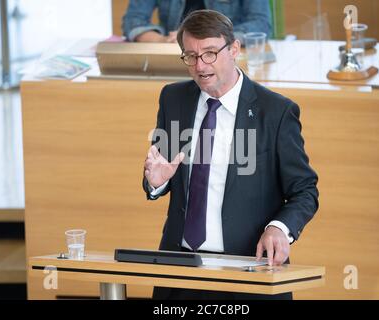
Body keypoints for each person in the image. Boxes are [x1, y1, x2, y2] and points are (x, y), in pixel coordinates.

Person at [143, 9, 319, 300]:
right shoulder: (173, 98)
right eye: (191, 56)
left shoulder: (275, 111)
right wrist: (157, 182)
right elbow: (158, 169)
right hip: (181, 272)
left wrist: (278, 229)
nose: (200, 66)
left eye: (210, 53)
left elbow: (305, 190)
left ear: (234, 49)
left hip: (249, 270)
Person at [122, 0, 271, 44]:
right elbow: (132, 19)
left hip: (227, 58)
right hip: (176, 57)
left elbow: (261, 24)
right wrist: (163, 40)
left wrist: (212, 39)